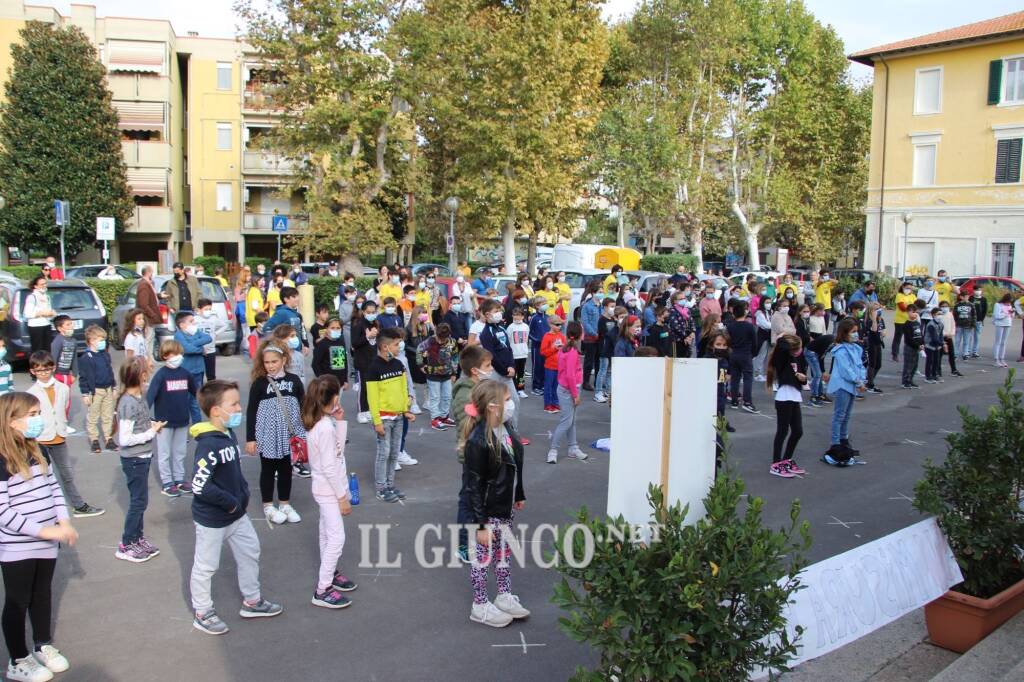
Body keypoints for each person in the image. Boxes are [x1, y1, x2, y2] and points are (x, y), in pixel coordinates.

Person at [189, 379, 283, 635]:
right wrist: (230, 502)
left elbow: (233, 472)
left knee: (250, 552)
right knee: (206, 566)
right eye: (234, 404)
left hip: (236, 516)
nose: (240, 408)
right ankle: (203, 611)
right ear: (216, 411)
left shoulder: (227, 435)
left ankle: (252, 601)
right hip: (213, 519)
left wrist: (240, 496)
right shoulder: (209, 445)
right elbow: (199, 486)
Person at [0, 392, 78, 681]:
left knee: (42, 594)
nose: (38, 419)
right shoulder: (1, 459)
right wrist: (44, 530)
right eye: (31, 415)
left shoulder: (38, 450)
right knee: (18, 600)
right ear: (11, 421)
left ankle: (43, 644)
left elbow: (54, 488)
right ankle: (18, 659)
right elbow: (3, 513)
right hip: (17, 546)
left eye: (37, 413)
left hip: (48, 543)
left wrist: (64, 521)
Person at [461, 380, 528, 628]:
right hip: (486, 514)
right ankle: (480, 605)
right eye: (507, 400)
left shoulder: (506, 428)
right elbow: (473, 487)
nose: (511, 404)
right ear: (492, 407)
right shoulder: (478, 442)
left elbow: (514, 465)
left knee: (503, 554)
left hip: (504, 506)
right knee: (482, 559)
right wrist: (480, 525)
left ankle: (503, 595)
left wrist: (518, 494)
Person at [301, 375, 357, 609]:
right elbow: (329, 467)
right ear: (333, 398)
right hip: (329, 490)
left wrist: (340, 421)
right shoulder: (323, 427)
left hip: (326, 488)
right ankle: (322, 589)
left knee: (326, 533)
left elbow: (337, 452)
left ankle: (330, 572)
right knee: (337, 538)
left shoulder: (323, 421)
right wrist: (342, 496)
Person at [27, 352, 103, 520]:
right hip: (40, 440)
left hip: (59, 438)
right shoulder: (31, 393)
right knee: (41, 476)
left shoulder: (63, 388)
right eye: (39, 370)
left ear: (53, 368)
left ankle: (78, 505)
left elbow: (63, 410)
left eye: (47, 369)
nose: (44, 373)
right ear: (33, 371)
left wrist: (62, 427)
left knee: (66, 474)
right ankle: (42, 509)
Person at [246, 340, 306, 524]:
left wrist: (307, 429)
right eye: (267, 362)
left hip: (289, 433)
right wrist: (251, 438)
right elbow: (251, 411)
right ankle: (268, 506)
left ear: (284, 360)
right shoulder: (259, 384)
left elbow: (303, 406)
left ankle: (284, 504)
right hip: (268, 434)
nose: (270, 366)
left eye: (274, 361)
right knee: (268, 469)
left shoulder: (294, 381)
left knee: (286, 469)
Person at [113, 357, 164, 563]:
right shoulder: (127, 403)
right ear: (141, 375)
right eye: (147, 370)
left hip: (143, 457)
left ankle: (137, 538)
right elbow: (124, 439)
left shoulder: (139, 397)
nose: (150, 372)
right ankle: (127, 543)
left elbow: (140, 424)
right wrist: (151, 432)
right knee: (138, 502)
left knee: (141, 501)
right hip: (134, 459)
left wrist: (152, 425)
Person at [365, 328, 415, 503]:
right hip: (384, 419)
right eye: (396, 344)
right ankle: (381, 488)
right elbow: (372, 398)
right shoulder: (374, 368)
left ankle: (390, 484)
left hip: (399, 417)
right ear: (385, 347)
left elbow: (403, 390)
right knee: (383, 453)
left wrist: (405, 410)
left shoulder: (398, 364)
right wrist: (377, 421)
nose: (399, 346)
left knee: (394, 452)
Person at [147, 340, 196, 497]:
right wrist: (146, 418)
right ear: (166, 355)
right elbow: (150, 396)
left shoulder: (185, 373)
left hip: (182, 419)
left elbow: (196, 392)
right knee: (164, 453)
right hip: (164, 422)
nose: (178, 357)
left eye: (179, 354)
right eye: (174, 354)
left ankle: (179, 479)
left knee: (180, 452)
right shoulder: (161, 375)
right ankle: (167, 482)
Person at [822, 318, 867, 465]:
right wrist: (858, 381)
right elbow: (846, 369)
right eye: (853, 332)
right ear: (845, 333)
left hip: (853, 385)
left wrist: (862, 379)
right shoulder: (840, 350)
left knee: (846, 415)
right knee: (839, 415)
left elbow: (859, 365)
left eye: (856, 331)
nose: (856, 334)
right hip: (843, 385)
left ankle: (844, 439)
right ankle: (835, 443)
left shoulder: (856, 348)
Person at [477, 300, 522, 435]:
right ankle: (495, 430)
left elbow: (508, 349)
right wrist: (503, 370)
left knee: (514, 401)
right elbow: (492, 355)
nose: (499, 313)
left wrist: (512, 366)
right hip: (497, 373)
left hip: (507, 372)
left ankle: (513, 431)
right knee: (496, 403)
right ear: (487, 314)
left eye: (499, 311)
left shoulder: (501, 328)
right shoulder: (486, 333)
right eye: (496, 311)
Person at [766, 335, 807, 478]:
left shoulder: (798, 358)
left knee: (798, 431)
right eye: (797, 348)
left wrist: (803, 378)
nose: (800, 350)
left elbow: (802, 376)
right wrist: (785, 337)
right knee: (782, 431)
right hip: (784, 398)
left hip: (795, 396)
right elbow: (781, 345)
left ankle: (786, 460)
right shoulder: (782, 358)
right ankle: (776, 463)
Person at [547, 321, 587, 464]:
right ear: (579, 335)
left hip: (569, 388)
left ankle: (573, 447)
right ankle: (553, 450)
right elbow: (570, 375)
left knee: (571, 421)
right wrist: (575, 395)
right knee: (566, 421)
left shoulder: (566, 349)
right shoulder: (572, 352)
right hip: (569, 390)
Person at [79, 326, 117, 453]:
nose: (103, 342)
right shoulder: (86, 357)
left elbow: (109, 371)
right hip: (95, 391)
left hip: (107, 389)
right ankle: (94, 439)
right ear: (92, 340)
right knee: (93, 416)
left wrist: (114, 386)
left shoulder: (105, 355)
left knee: (108, 415)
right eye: (100, 339)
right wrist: (85, 393)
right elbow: (83, 377)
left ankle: (108, 438)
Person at [416, 323, 458, 431]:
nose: (441, 341)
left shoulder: (452, 342)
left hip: (447, 374)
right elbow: (419, 350)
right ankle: (435, 419)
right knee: (435, 397)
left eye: (443, 339)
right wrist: (421, 365)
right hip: (433, 374)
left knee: (447, 396)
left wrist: (454, 373)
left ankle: (444, 417)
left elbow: (454, 357)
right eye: (439, 338)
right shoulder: (430, 341)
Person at [174, 311, 213, 424]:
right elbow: (187, 349)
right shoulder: (178, 335)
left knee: (196, 401)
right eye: (191, 321)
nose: (194, 324)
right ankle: (182, 426)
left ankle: (197, 426)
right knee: (185, 401)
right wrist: (201, 349)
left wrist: (192, 342)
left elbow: (208, 338)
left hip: (198, 371)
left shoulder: (195, 332)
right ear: (182, 325)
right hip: (186, 371)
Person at [725, 301, 758, 413]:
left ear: (733, 314)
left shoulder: (730, 326)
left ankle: (734, 400)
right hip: (746, 354)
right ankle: (747, 402)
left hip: (734, 354)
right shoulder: (749, 326)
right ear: (744, 313)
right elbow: (754, 342)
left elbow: (728, 341)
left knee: (735, 378)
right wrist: (753, 354)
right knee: (748, 378)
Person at [351, 301, 379, 424]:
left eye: (373, 312)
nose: (371, 314)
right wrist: (367, 337)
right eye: (368, 312)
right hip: (362, 361)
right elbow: (355, 343)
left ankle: (368, 410)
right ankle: (361, 411)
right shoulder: (358, 324)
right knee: (363, 387)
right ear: (363, 312)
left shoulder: (375, 324)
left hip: (373, 360)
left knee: (371, 387)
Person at [312, 318, 350, 390]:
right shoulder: (322, 344)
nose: (335, 330)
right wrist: (322, 380)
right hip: (327, 383)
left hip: (340, 382)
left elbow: (344, 363)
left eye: (338, 328)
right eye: (332, 328)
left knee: (337, 401)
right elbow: (315, 364)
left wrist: (345, 380)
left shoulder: (341, 342)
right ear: (326, 328)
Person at [594, 301, 620, 403]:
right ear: (605, 307)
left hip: (612, 349)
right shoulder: (602, 320)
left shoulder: (614, 319)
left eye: (614, 306)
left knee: (610, 371)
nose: (613, 309)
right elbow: (605, 334)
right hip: (604, 348)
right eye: (611, 306)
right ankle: (598, 392)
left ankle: (607, 390)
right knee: (603, 370)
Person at [195, 298, 227, 382]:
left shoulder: (213, 318)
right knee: (199, 373)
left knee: (211, 374)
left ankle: (212, 391)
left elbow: (224, 325)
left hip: (211, 350)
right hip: (199, 351)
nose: (208, 311)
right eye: (206, 309)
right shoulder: (195, 319)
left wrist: (216, 333)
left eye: (209, 309)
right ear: (199, 310)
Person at [539, 315, 566, 413]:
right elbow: (543, 352)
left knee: (556, 387)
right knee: (548, 386)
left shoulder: (561, 336)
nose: (560, 327)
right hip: (550, 366)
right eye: (557, 325)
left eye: (561, 325)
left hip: (559, 366)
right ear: (550, 325)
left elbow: (565, 350)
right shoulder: (547, 336)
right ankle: (547, 404)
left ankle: (555, 403)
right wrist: (553, 348)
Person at [23, 276, 55, 354]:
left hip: (46, 324)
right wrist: (42, 313)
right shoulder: (32, 297)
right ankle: (37, 365)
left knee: (47, 349)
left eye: (45, 283)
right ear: (36, 286)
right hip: (36, 326)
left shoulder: (47, 296)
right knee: (37, 349)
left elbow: (48, 311)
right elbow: (27, 313)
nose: (44, 286)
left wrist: (51, 313)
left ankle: (46, 365)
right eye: (41, 284)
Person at [49, 316, 77, 404]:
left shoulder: (73, 341)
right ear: (60, 328)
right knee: (58, 399)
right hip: (57, 375)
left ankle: (64, 416)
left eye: (71, 324)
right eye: (68, 325)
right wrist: (52, 376)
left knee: (66, 399)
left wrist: (75, 374)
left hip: (67, 375)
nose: (71, 326)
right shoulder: (58, 341)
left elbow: (74, 358)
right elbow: (53, 358)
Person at [272, 325, 309, 389]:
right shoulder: (277, 356)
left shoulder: (299, 355)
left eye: (295, 335)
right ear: (281, 339)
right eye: (292, 336)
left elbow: (302, 373)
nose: (295, 338)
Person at [579, 285, 602, 389]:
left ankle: (598, 382)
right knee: (589, 361)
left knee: (599, 361)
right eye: (599, 291)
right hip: (590, 338)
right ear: (593, 293)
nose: (601, 293)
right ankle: (586, 382)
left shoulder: (602, 305)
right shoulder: (587, 306)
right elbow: (585, 323)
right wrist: (594, 333)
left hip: (601, 337)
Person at [527, 297, 551, 396]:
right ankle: (536, 386)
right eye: (542, 303)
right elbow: (528, 332)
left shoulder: (548, 317)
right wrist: (536, 339)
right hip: (537, 347)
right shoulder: (534, 318)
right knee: (537, 367)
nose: (545, 305)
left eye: (545, 302)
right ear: (537, 306)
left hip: (547, 347)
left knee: (545, 366)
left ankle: (543, 384)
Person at [506, 308, 530, 398]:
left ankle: (521, 389)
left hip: (523, 353)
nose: (516, 317)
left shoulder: (526, 327)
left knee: (521, 373)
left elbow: (526, 339)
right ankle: (514, 390)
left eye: (518, 315)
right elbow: (508, 340)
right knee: (513, 373)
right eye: (514, 314)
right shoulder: (510, 327)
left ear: (522, 316)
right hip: (514, 354)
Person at [863, 302, 886, 394]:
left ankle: (869, 379)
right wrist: (874, 319)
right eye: (876, 309)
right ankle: (870, 384)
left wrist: (884, 332)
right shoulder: (869, 320)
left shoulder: (880, 319)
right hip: (871, 343)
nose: (878, 311)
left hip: (878, 343)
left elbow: (883, 329)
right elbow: (874, 329)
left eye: (879, 309)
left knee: (878, 364)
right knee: (872, 364)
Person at [667, 289, 696, 358]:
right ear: (675, 301)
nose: (683, 300)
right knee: (678, 358)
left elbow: (691, 321)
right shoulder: (672, 311)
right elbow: (675, 326)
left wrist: (692, 332)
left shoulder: (686, 310)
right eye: (680, 299)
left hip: (688, 338)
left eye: (684, 298)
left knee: (687, 356)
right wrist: (685, 337)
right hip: (677, 339)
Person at [937, 301, 962, 377]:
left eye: (946, 306)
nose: (945, 308)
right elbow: (938, 327)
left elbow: (953, 324)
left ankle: (954, 370)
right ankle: (938, 371)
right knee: (939, 354)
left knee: (951, 354)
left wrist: (952, 333)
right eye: (943, 306)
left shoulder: (950, 314)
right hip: (941, 337)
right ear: (940, 307)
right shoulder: (938, 316)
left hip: (949, 337)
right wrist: (944, 334)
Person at [891, 281, 916, 361]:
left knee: (909, 338)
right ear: (903, 287)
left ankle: (908, 353)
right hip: (900, 320)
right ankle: (895, 354)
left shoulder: (913, 296)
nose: (908, 290)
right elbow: (902, 307)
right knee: (898, 338)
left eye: (910, 288)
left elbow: (916, 306)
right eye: (907, 288)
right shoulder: (899, 295)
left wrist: (912, 308)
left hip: (910, 320)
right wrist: (911, 309)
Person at [901, 305, 924, 389]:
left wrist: (922, 344)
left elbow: (920, 335)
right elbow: (909, 338)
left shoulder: (917, 323)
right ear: (908, 312)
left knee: (914, 365)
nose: (915, 314)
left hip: (917, 347)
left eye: (916, 312)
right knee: (908, 365)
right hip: (910, 347)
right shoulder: (907, 324)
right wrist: (917, 345)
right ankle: (905, 381)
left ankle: (910, 380)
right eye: (912, 312)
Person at [992, 293, 1014, 368]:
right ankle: (996, 359)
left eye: (1010, 301)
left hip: (1008, 324)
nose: (1009, 303)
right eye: (1008, 301)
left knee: (1004, 342)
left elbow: (1011, 316)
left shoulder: (1009, 305)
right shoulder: (998, 305)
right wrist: (1006, 314)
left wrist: (1012, 313)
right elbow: (997, 315)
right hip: (1000, 324)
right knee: (998, 341)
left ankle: (1002, 358)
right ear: (1005, 299)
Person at [923, 307, 944, 383]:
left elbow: (941, 335)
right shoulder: (931, 324)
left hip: (937, 346)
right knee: (930, 361)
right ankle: (928, 376)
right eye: (938, 314)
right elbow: (934, 337)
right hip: (929, 345)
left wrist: (941, 343)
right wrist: (942, 344)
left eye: (941, 314)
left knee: (936, 361)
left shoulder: (941, 324)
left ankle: (935, 375)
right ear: (933, 315)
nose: (940, 315)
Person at [970, 289, 987, 359]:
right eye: (976, 290)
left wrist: (982, 319)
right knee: (969, 336)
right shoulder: (971, 298)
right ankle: (967, 351)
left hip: (979, 320)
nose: (978, 291)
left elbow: (985, 310)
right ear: (973, 291)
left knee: (977, 337)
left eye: (979, 290)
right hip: (970, 320)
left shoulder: (983, 299)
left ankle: (975, 352)